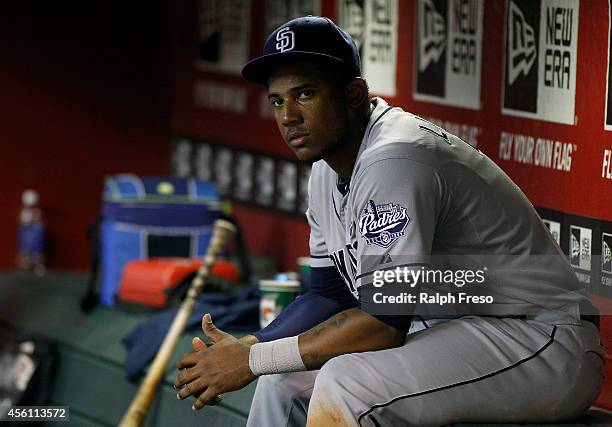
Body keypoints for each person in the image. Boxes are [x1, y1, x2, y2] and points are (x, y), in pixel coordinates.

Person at [174, 16, 604, 426]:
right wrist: (253, 347)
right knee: (283, 381)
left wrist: (251, 361)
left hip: (541, 339)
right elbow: (330, 295)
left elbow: (383, 323)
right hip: (461, 330)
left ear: (354, 94)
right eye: (277, 100)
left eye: (306, 94)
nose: (288, 116)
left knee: (345, 384)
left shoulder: (396, 157)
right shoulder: (327, 169)